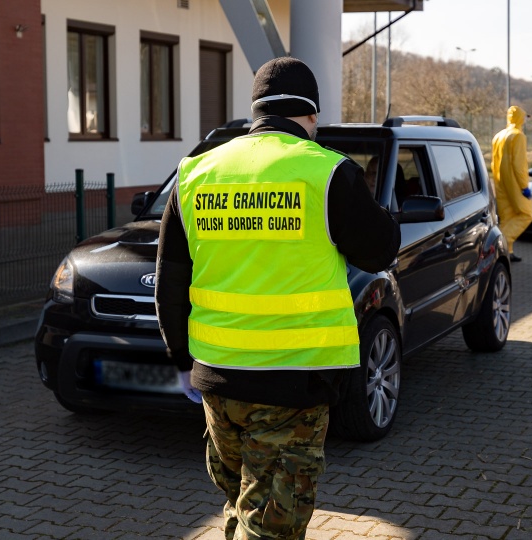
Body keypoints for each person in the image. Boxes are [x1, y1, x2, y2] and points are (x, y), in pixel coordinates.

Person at [154, 56, 400, 540]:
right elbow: (380, 251)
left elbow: (169, 279)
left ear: (256, 111)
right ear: (310, 114)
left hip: (217, 382)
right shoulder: (327, 172)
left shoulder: (195, 172)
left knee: (243, 506)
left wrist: (183, 360)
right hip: (293, 383)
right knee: (271, 527)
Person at [491, 105, 532, 263]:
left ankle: (507, 251)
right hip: (515, 182)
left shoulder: (498, 136)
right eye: (524, 117)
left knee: (508, 216)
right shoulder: (518, 136)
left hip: (500, 181)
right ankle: (498, 243)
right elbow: (519, 165)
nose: (525, 120)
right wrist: (524, 186)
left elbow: (494, 163)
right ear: (520, 118)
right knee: (526, 214)